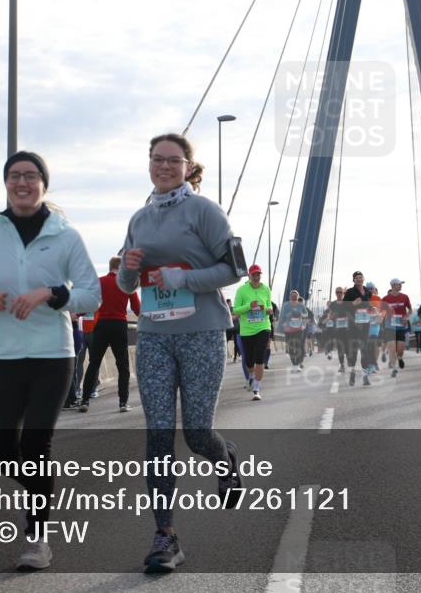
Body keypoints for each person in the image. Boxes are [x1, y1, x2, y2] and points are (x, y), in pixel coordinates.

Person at [0, 151, 101, 570]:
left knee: (36, 445)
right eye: (14, 176)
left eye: (31, 176)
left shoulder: (66, 236)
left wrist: (51, 294)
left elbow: (91, 295)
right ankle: (45, 489)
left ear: (44, 184)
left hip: (52, 355)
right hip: (3, 354)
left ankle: (37, 539)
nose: (22, 183)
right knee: (1, 451)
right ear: (6, 183)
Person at [116, 133, 243, 572]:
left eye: (173, 160)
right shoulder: (139, 217)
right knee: (158, 436)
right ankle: (165, 537)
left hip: (202, 332)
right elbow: (125, 285)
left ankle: (224, 456)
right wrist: (129, 272)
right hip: (153, 335)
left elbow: (234, 269)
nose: (164, 166)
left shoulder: (205, 211)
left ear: (189, 166)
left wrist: (183, 279)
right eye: (157, 160)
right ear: (148, 164)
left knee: (196, 433)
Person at [78, 256, 141, 412]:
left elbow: (90, 303)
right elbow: (136, 307)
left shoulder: (99, 282)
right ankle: (123, 403)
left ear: (110, 266)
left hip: (102, 325)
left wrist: (79, 313)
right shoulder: (126, 283)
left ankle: (85, 401)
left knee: (94, 363)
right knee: (123, 366)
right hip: (119, 325)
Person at [233, 265, 273, 400]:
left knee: (259, 358)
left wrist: (269, 309)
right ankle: (250, 376)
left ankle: (256, 388)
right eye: (254, 275)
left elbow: (269, 305)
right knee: (249, 361)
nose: (256, 277)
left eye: (258, 274)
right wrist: (249, 306)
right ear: (249, 276)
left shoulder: (266, 289)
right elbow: (236, 310)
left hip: (263, 326)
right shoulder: (241, 290)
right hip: (247, 330)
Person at [342, 271, 375, 386]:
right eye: (357, 278)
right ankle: (352, 374)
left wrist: (371, 308)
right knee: (354, 352)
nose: (359, 279)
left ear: (364, 279)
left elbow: (367, 305)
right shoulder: (350, 292)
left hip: (365, 324)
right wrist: (353, 304)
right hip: (353, 326)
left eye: (361, 277)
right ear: (354, 280)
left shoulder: (367, 291)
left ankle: (365, 377)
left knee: (364, 350)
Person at [381, 278, 412, 376]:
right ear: (393, 286)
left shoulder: (405, 297)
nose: (401, 286)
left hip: (401, 327)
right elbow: (381, 312)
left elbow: (410, 310)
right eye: (399, 284)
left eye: (401, 284)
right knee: (392, 349)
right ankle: (394, 368)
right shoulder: (385, 299)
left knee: (400, 350)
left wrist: (406, 317)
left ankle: (400, 358)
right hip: (389, 327)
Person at [277, 289, 309, 373]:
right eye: (292, 296)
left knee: (298, 346)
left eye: (296, 296)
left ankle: (297, 364)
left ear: (298, 297)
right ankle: (294, 364)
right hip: (288, 328)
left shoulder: (301, 305)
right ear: (290, 297)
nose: (294, 297)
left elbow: (306, 314)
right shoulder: (286, 305)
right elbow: (282, 316)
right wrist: (290, 314)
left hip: (298, 328)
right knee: (291, 347)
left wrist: (300, 314)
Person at [326, 288, 349, 371]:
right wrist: (331, 317)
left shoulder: (346, 303)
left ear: (343, 293)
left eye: (341, 292)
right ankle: (342, 365)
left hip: (347, 329)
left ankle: (348, 359)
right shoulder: (333, 304)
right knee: (340, 347)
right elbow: (330, 315)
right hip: (337, 329)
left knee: (347, 347)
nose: (339, 294)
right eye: (337, 292)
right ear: (335, 293)